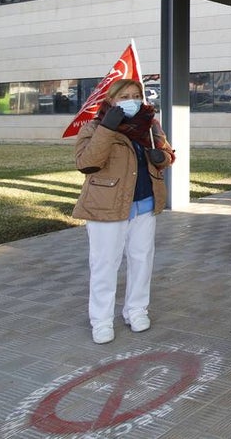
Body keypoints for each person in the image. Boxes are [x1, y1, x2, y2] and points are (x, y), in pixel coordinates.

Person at [74, 78, 174, 344]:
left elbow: (166, 154)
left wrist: (161, 157)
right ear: (111, 100)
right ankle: (102, 320)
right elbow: (86, 163)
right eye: (124, 96)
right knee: (105, 264)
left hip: (144, 203)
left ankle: (136, 310)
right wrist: (107, 128)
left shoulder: (149, 125)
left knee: (142, 260)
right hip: (106, 207)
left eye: (136, 95)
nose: (131, 100)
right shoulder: (94, 127)